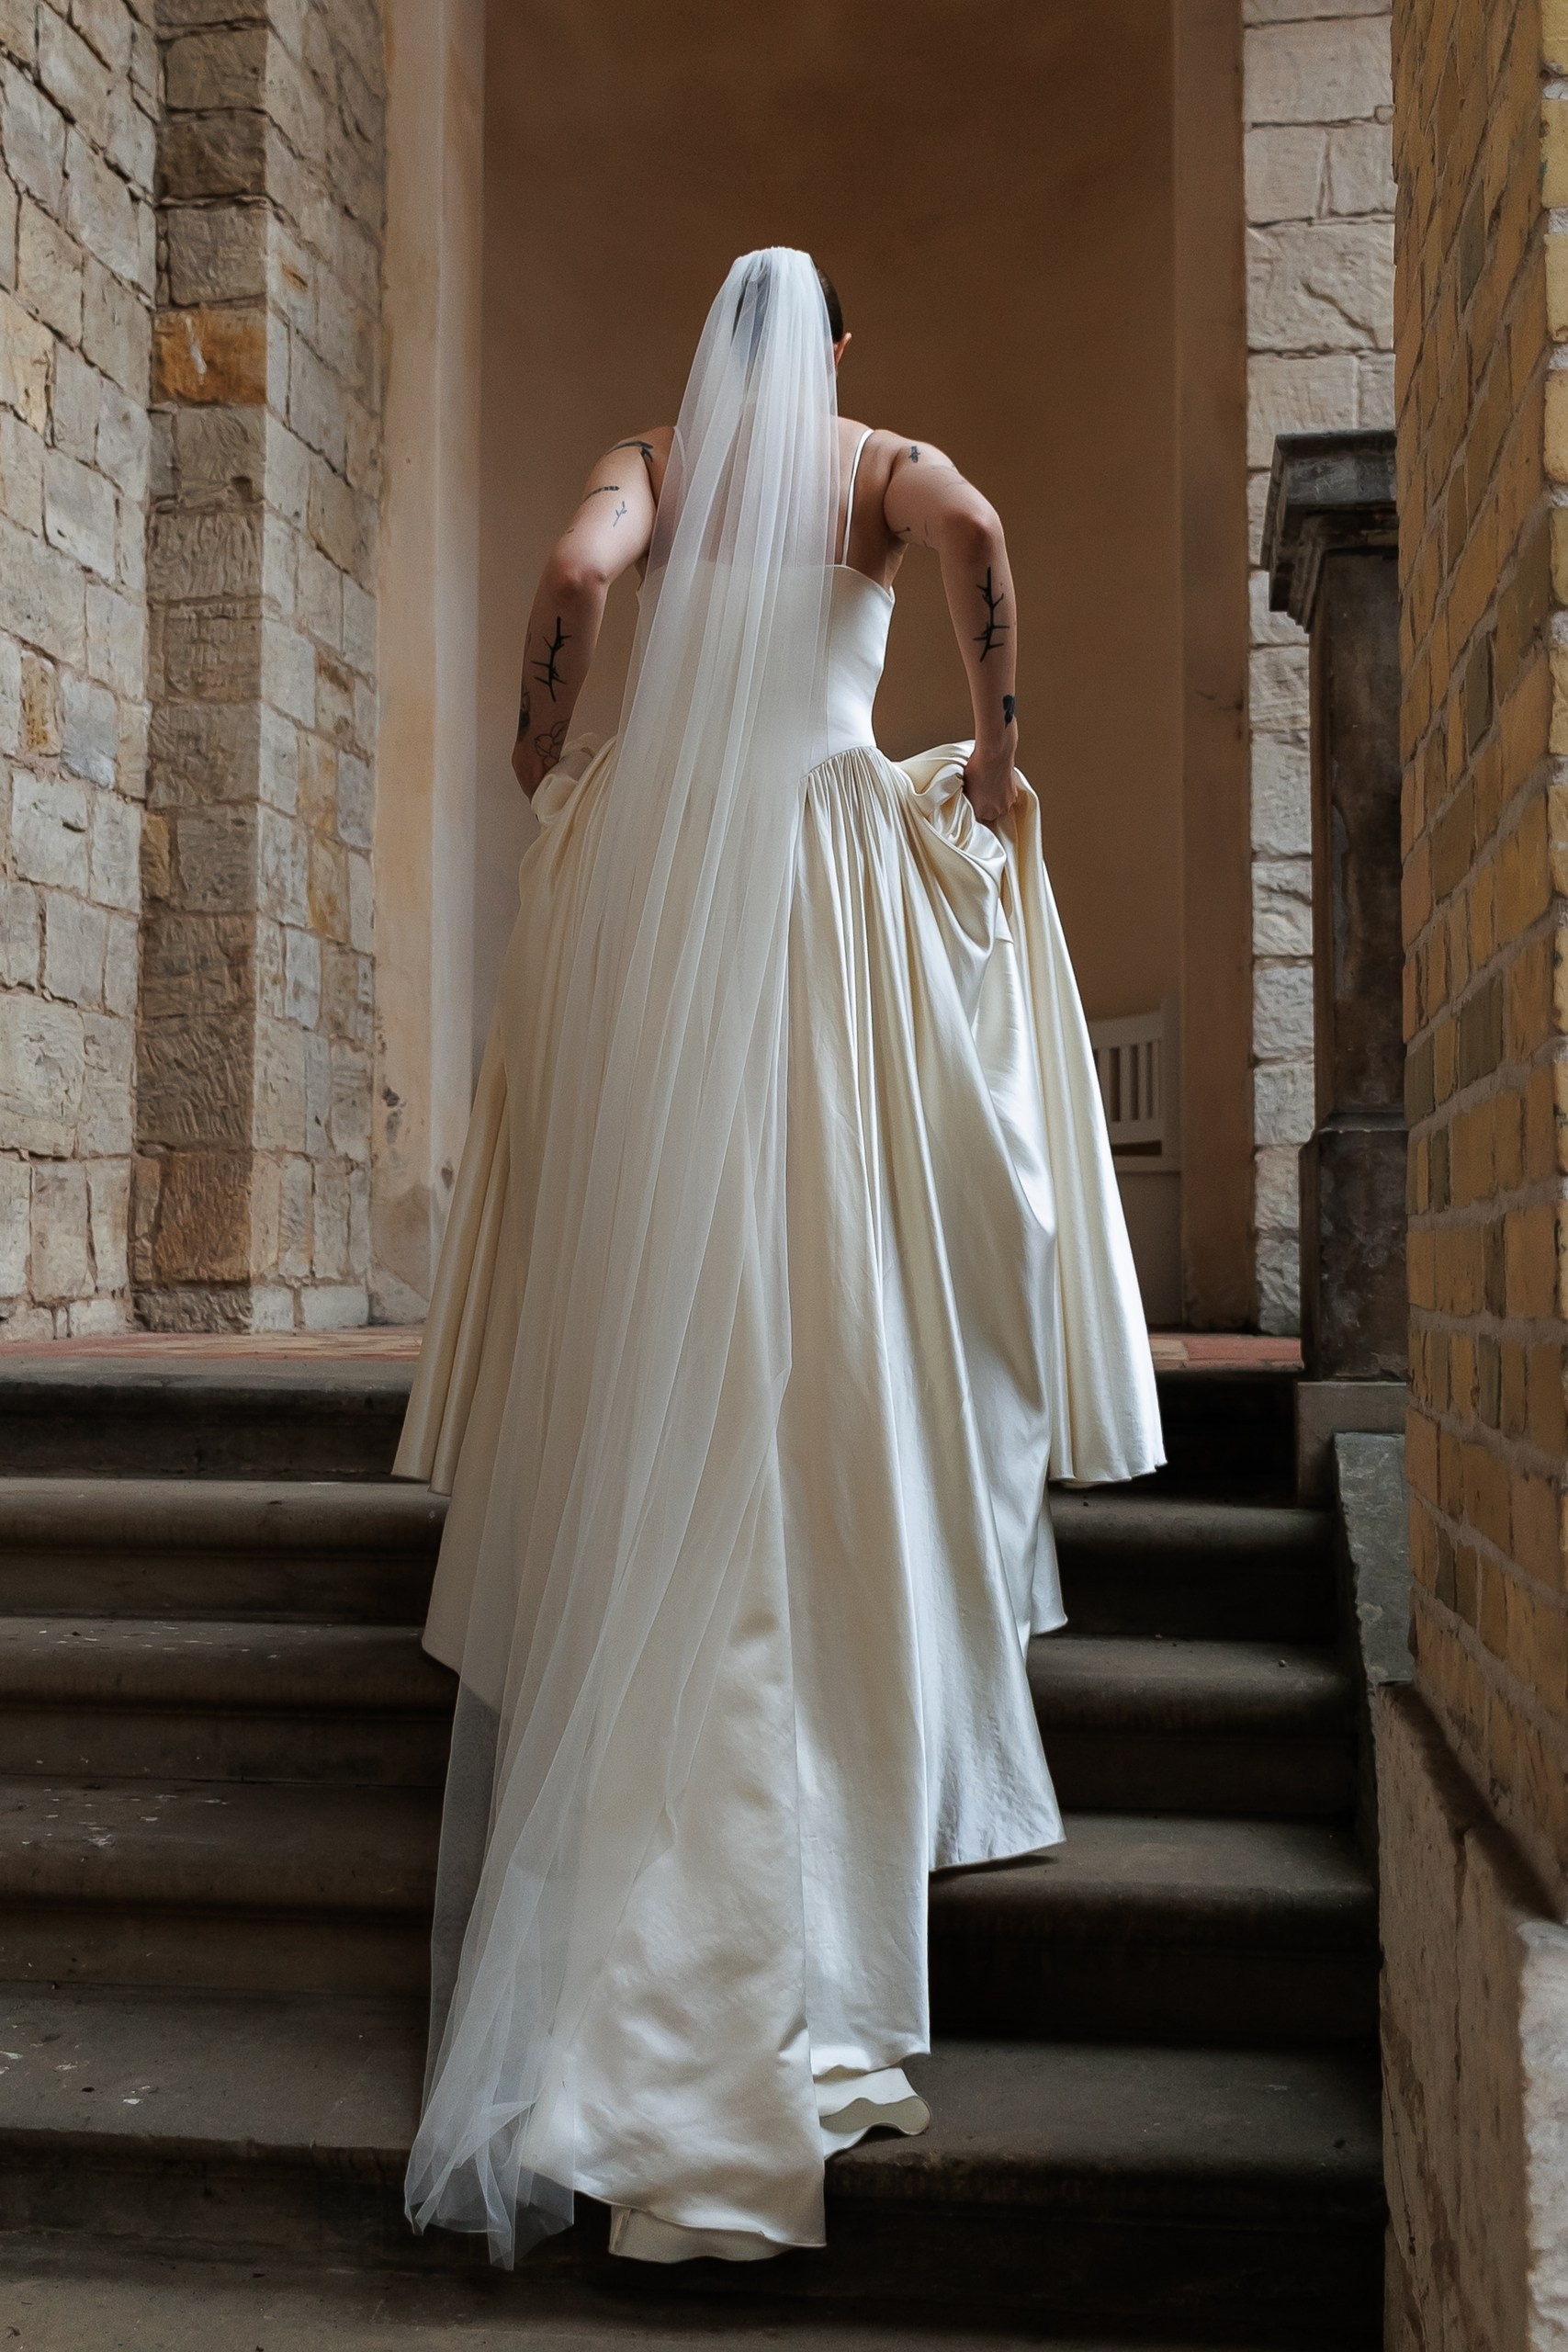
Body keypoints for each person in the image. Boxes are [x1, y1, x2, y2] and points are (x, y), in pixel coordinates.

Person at [394, 248, 1162, 2268]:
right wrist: (992, 746)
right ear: (831, 354)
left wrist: (547, 745)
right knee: (834, 1250)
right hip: (823, 874)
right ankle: (843, 1643)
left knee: (671, 1249)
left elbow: (572, 576)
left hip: (670, 879)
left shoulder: (651, 462)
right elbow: (979, 534)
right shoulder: (875, 461)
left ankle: (663, 1667)